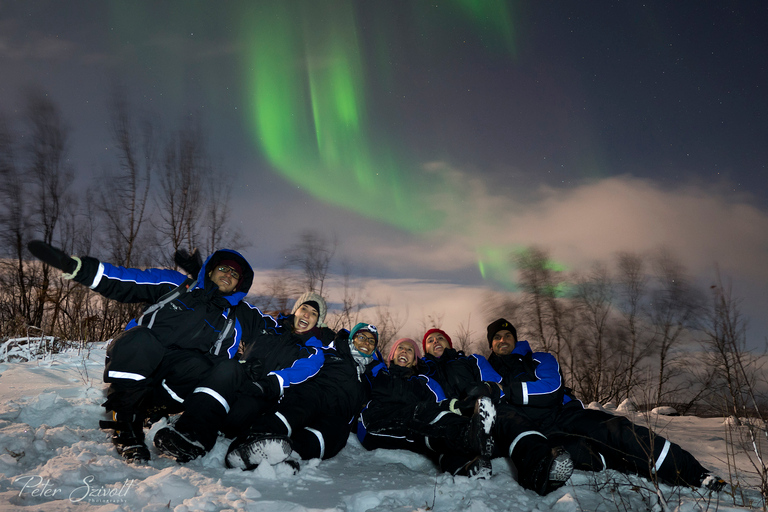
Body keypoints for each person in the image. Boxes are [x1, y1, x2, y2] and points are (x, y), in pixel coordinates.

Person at [26, 240, 279, 463]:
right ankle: (127, 429)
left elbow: (281, 332)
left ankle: (170, 420)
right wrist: (79, 268)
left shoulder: (240, 315)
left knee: (217, 366)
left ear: (240, 284)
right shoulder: (176, 285)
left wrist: (312, 329)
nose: (228, 274)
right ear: (210, 270)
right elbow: (126, 280)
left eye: (235, 274)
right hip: (139, 360)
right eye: (223, 268)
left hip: (178, 384)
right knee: (141, 340)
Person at [484, 318, 727, 491]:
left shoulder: (540, 359)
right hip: (537, 431)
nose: (503, 340)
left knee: (618, 431)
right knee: (584, 455)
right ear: (490, 344)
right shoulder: (486, 371)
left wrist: (506, 390)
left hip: (565, 414)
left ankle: (695, 474)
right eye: (497, 337)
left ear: (516, 339)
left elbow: (551, 389)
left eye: (508, 335)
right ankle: (638, 470)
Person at [152, 291, 331, 463]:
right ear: (296, 311)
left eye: (314, 313)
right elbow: (237, 305)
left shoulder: (314, 351)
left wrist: (266, 384)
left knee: (243, 407)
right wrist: (208, 281)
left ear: (318, 321)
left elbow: (300, 372)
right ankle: (190, 433)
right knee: (227, 367)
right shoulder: (268, 325)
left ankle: (207, 429)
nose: (307, 315)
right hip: (237, 381)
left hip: (261, 398)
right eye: (304, 309)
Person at [419, 328, 574, 495]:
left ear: (449, 343)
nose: (435, 341)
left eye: (440, 338)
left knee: (507, 414)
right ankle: (468, 469)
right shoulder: (423, 373)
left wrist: (476, 399)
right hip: (453, 418)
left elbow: (494, 385)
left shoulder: (471, 360)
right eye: (430, 340)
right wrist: (453, 407)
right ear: (425, 349)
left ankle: (538, 464)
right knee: (442, 429)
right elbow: (428, 401)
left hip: (483, 413)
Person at [224, 322, 384, 470]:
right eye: (362, 337)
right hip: (315, 394)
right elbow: (303, 362)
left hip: (338, 414)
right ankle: (248, 443)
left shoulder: (371, 376)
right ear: (351, 339)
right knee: (298, 409)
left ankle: (291, 453)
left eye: (371, 341)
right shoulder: (329, 352)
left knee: (330, 436)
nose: (366, 342)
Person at [357, 337, 496, 479]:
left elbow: (441, 405)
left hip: (412, 426)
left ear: (415, 360)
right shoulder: (378, 372)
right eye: (400, 348)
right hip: (375, 423)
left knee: (436, 432)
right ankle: (470, 434)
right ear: (392, 355)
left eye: (410, 350)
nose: (404, 351)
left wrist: (461, 406)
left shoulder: (425, 382)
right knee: (421, 414)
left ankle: (466, 468)